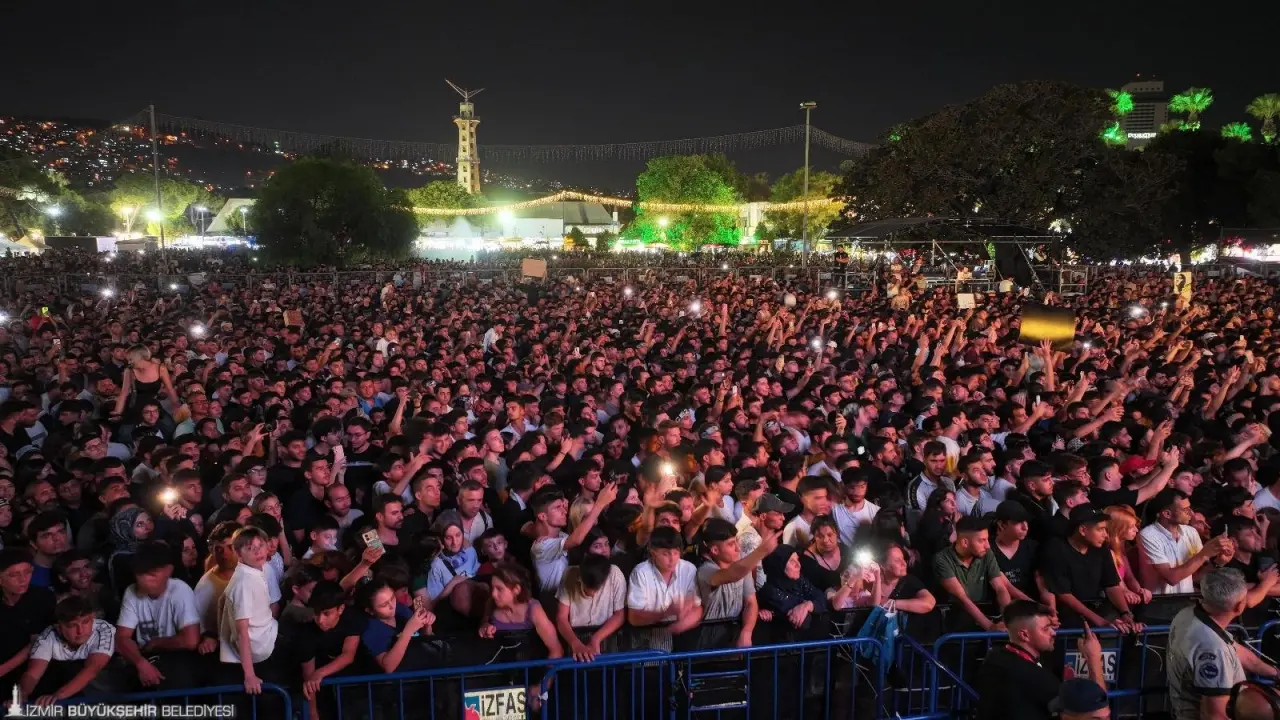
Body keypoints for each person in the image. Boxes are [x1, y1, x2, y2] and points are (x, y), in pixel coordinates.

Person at [1167, 568, 1280, 720]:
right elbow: (1215, 716)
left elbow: (1236, 650)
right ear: (1239, 607)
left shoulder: (1189, 614)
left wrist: (1275, 673)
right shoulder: (1213, 649)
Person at [974, 600, 1104, 720]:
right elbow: (1098, 712)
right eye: (1046, 628)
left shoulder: (995, 657)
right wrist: (1093, 659)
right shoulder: (1033, 676)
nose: (1054, 633)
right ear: (1024, 635)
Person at [114, 541, 200, 690]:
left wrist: (156, 643)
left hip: (177, 660)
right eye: (141, 575)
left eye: (152, 575)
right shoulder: (131, 592)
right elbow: (121, 638)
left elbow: (191, 641)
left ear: (168, 571)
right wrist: (141, 663)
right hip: (145, 658)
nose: (146, 580)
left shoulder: (180, 590)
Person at [1041, 504, 1138, 630]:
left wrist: (1126, 614)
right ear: (1082, 530)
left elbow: (1112, 585)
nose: (1106, 535)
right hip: (1065, 620)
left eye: (1106, 529)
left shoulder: (1102, 548)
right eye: (1100, 530)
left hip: (1097, 612)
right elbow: (1063, 594)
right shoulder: (1055, 549)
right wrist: (1100, 621)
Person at [933, 515, 1029, 631]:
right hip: (955, 618)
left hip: (985, 612)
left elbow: (1001, 588)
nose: (987, 545)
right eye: (982, 541)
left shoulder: (986, 553)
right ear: (965, 542)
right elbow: (962, 599)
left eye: (987, 539)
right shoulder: (942, 559)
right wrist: (990, 627)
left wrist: (1006, 621)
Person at [19, 595, 115, 705]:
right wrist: (22, 695)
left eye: (86, 622)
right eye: (72, 625)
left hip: (103, 688)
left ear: (93, 618)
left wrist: (58, 696)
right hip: (64, 687)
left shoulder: (103, 629)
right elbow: (32, 674)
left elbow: (92, 669)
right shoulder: (48, 636)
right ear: (59, 627)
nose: (80, 631)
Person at [696, 517, 775, 647]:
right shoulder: (705, 570)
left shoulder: (742, 562)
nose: (738, 549)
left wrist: (746, 632)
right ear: (715, 550)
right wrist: (761, 551)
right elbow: (733, 575)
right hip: (710, 640)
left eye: (737, 541)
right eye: (731, 544)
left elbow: (751, 602)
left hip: (736, 632)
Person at [218, 526, 279, 694]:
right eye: (251, 548)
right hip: (259, 648)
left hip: (266, 636)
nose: (258, 552)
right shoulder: (243, 583)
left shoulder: (260, 569)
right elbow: (242, 631)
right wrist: (250, 675)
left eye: (261, 546)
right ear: (238, 554)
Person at [1139, 489, 1229, 595]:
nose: (1191, 513)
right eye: (1185, 510)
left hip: (1187, 598)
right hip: (1160, 602)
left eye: (1190, 508)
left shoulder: (1190, 532)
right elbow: (1171, 578)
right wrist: (1204, 553)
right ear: (1167, 514)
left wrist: (1218, 562)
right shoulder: (1148, 535)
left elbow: (1196, 576)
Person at [626, 526, 702, 633]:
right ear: (653, 553)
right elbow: (634, 618)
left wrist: (683, 625)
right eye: (665, 554)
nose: (672, 559)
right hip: (647, 639)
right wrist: (666, 613)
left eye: (676, 553)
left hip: (683, 636)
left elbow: (697, 608)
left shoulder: (689, 569)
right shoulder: (641, 573)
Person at [555, 554, 626, 661]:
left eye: (596, 588)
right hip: (574, 638)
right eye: (588, 587)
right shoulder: (570, 574)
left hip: (608, 638)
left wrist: (596, 639)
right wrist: (576, 644)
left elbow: (619, 615)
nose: (592, 593)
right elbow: (561, 617)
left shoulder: (615, 574)